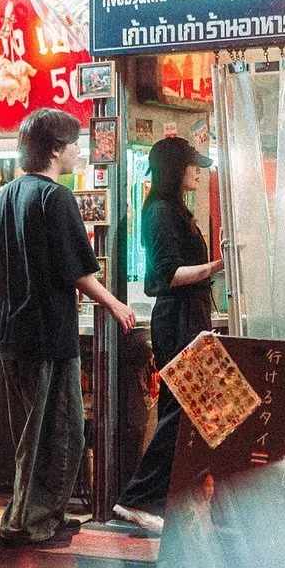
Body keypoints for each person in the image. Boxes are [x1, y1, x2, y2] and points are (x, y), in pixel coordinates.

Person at [0, 108, 136, 546]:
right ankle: (30, 523)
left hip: (11, 331)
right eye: (75, 144)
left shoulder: (6, 195)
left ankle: (33, 517)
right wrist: (115, 304)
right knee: (60, 430)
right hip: (48, 333)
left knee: (31, 433)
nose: (79, 151)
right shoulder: (55, 198)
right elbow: (76, 270)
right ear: (56, 149)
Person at [113, 135, 223, 535]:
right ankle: (138, 498)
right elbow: (164, 276)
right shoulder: (160, 212)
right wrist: (217, 266)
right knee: (180, 411)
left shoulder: (176, 210)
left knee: (195, 411)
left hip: (191, 318)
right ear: (177, 169)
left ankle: (175, 496)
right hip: (177, 320)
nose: (198, 171)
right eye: (193, 165)